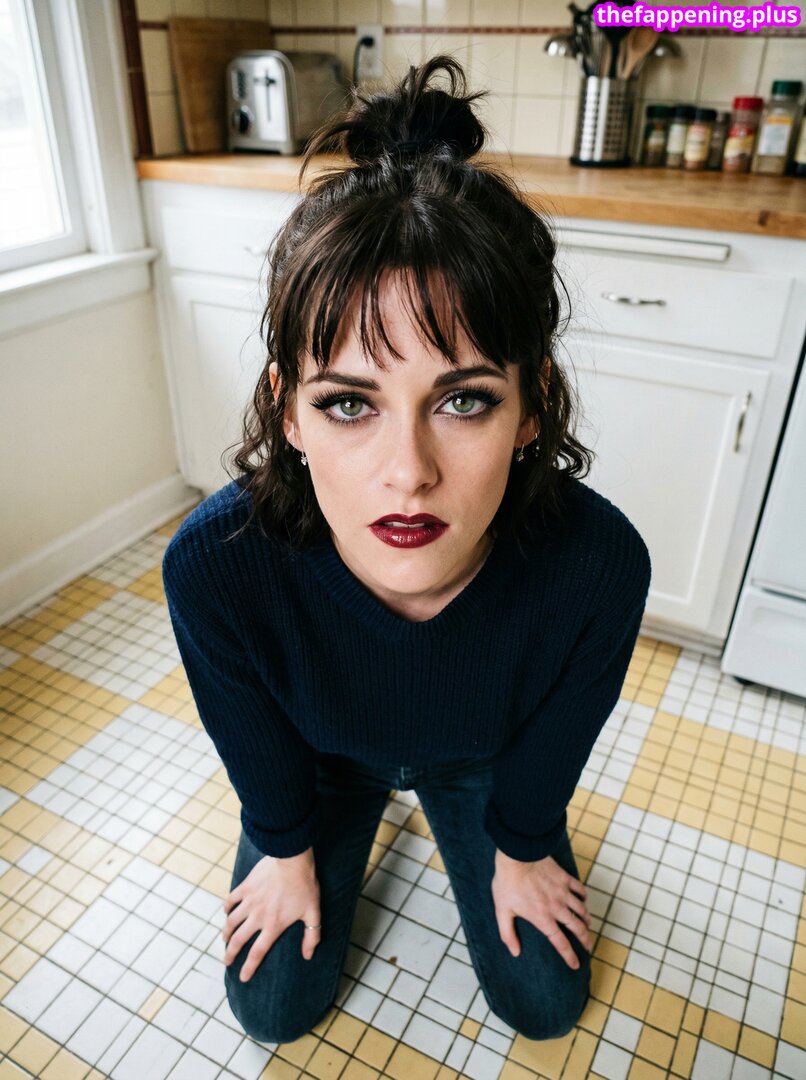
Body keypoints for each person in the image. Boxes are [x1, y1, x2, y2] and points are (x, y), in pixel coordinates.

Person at [162, 55, 652, 1047]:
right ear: (286, 412)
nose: (408, 474)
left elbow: (561, 733)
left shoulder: (597, 568)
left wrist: (523, 843)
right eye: (349, 403)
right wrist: (283, 845)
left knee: (543, 1003)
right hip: (322, 762)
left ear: (531, 406)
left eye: (463, 399)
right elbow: (246, 731)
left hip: (481, 758)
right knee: (273, 1008)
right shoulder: (217, 566)